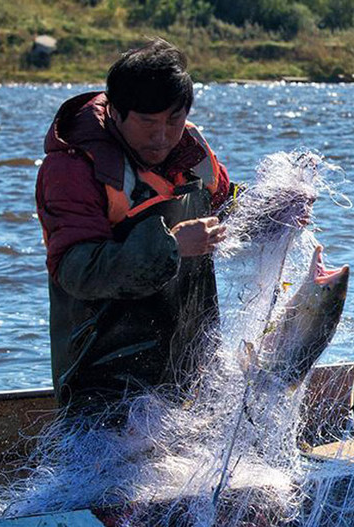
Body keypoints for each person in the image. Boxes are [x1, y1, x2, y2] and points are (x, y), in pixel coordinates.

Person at [35, 38, 234, 408]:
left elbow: (227, 204)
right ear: (115, 111)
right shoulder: (72, 167)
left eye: (173, 120)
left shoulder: (192, 151)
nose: (161, 137)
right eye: (146, 122)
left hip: (188, 361)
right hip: (100, 378)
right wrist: (171, 247)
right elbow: (78, 272)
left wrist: (275, 209)